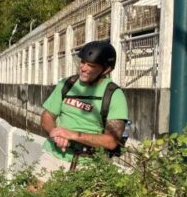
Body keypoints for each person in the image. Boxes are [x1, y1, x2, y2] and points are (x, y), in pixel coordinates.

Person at [39, 41, 128, 173]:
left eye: (91, 65)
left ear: (107, 69)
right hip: (53, 154)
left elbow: (111, 141)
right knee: (33, 192)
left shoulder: (114, 95)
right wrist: (55, 132)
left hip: (89, 163)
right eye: (82, 62)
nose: (83, 68)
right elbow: (47, 115)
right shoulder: (67, 84)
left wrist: (72, 135)